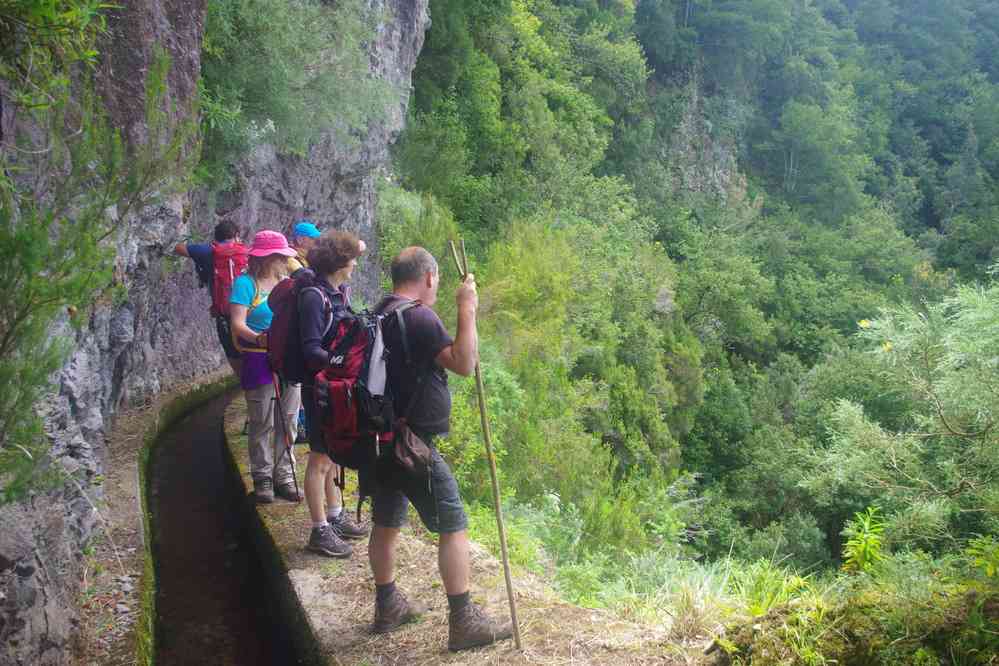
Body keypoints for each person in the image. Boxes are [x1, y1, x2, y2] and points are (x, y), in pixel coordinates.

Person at [367, 247, 512, 652]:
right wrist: (467, 307)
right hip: (412, 446)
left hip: (379, 440)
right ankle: (463, 621)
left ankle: (387, 605)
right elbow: (464, 363)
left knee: (386, 520)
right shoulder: (419, 316)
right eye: (437, 280)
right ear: (429, 277)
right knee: (453, 522)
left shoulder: (381, 311)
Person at [296, 231, 369, 557]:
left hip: (333, 386)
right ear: (340, 263)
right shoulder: (314, 297)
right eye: (351, 259)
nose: (355, 264)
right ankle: (319, 530)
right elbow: (311, 349)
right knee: (319, 458)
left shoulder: (336, 293)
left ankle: (335, 515)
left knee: (331, 455)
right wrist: (342, 363)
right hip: (318, 388)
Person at [229, 230, 303, 504]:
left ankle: (285, 475)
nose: (285, 259)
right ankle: (263, 478)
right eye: (281, 255)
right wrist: (259, 338)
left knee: (289, 419)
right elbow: (238, 323)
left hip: (287, 359)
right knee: (262, 420)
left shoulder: (287, 283)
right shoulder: (245, 284)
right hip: (258, 357)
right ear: (268, 257)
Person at [174, 221, 245, 377]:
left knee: (232, 353)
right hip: (247, 312)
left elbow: (177, 248)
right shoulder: (244, 252)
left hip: (224, 315)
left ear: (216, 237)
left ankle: (244, 382)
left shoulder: (206, 251)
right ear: (236, 236)